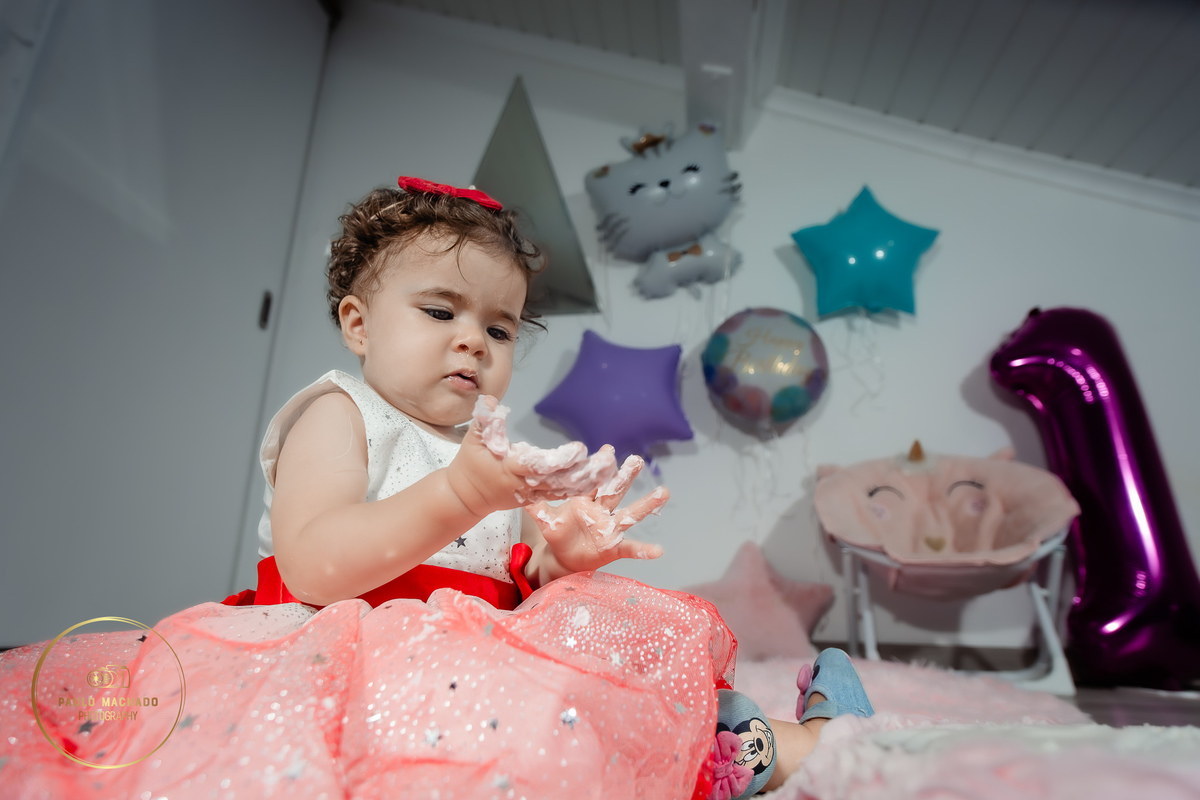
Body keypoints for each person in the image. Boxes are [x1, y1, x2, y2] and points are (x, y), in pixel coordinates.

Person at [0, 176, 873, 799]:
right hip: (340, 653)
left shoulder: (485, 452)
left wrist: (560, 562)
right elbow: (312, 567)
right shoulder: (338, 413)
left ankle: (798, 741)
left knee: (598, 673)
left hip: (471, 662)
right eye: (440, 311)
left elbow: (513, 585)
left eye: (500, 327)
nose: (473, 342)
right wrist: (461, 496)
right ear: (358, 323)